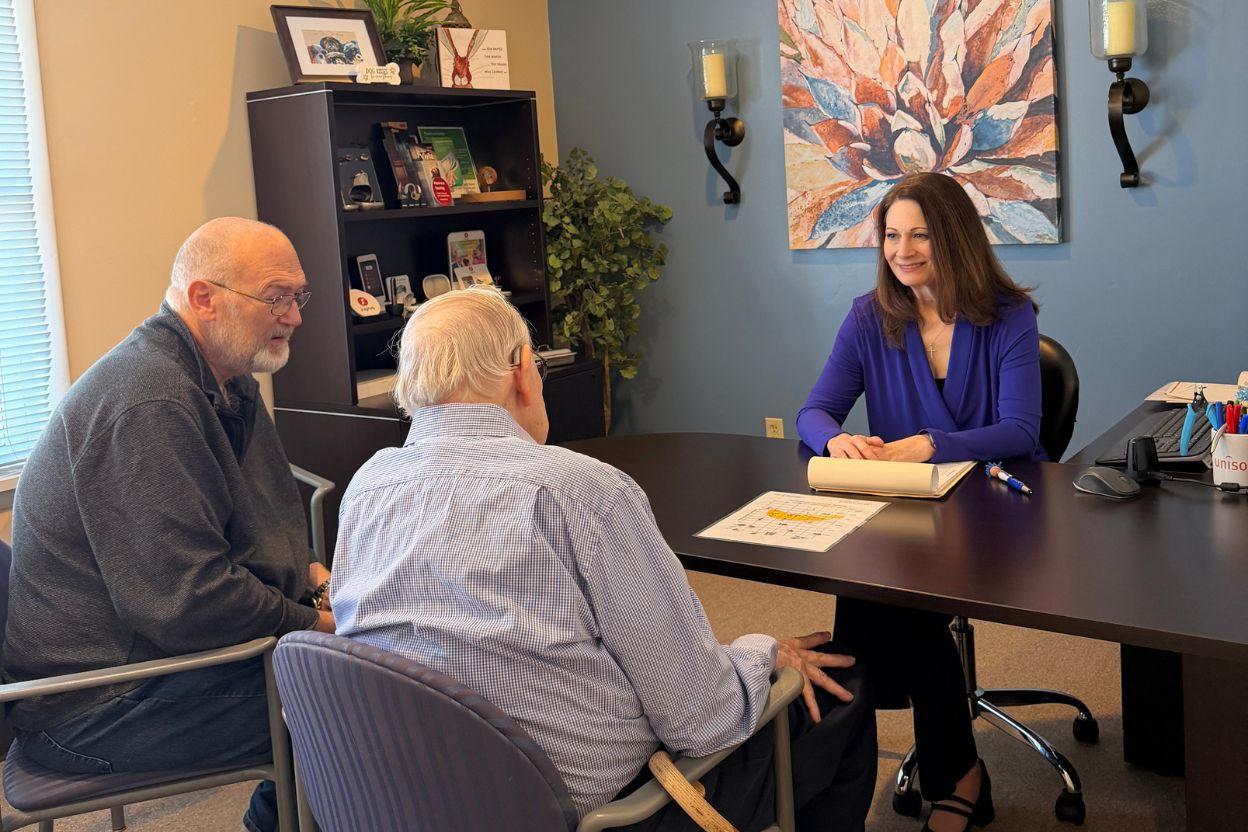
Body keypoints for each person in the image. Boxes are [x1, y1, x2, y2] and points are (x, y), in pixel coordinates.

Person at [330, 287, 878, 831]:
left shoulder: (369, 484)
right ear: (522, 369)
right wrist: (761, 653)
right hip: (595, 812)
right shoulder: (582, 490)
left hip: (403, 797)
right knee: (844, 692)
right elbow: (700, 719)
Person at [3, 217, 335, 832]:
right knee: (352, 697)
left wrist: (316, 582)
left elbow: (267, 530)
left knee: (354, 669)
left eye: (297, 297)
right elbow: (188, 603)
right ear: (202, 298)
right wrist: (316, 622)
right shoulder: (150, 403)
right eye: (276, 298)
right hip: (97, 705)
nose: (293, 317)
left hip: (149, 661)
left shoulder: (227, 378)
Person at [796, 172, 1043, 832]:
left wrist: (928, 445)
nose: (901, 251)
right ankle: (940, 771)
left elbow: (1021, 431)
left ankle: (953, 776)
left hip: (994, 512)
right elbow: (814, 411)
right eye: (891, 236)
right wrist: (837, 440)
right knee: (866, 582)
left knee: (906, 605)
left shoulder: (1009, 316)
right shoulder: (868, 317)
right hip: (905, 510)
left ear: (954, 239)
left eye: (920, 236)